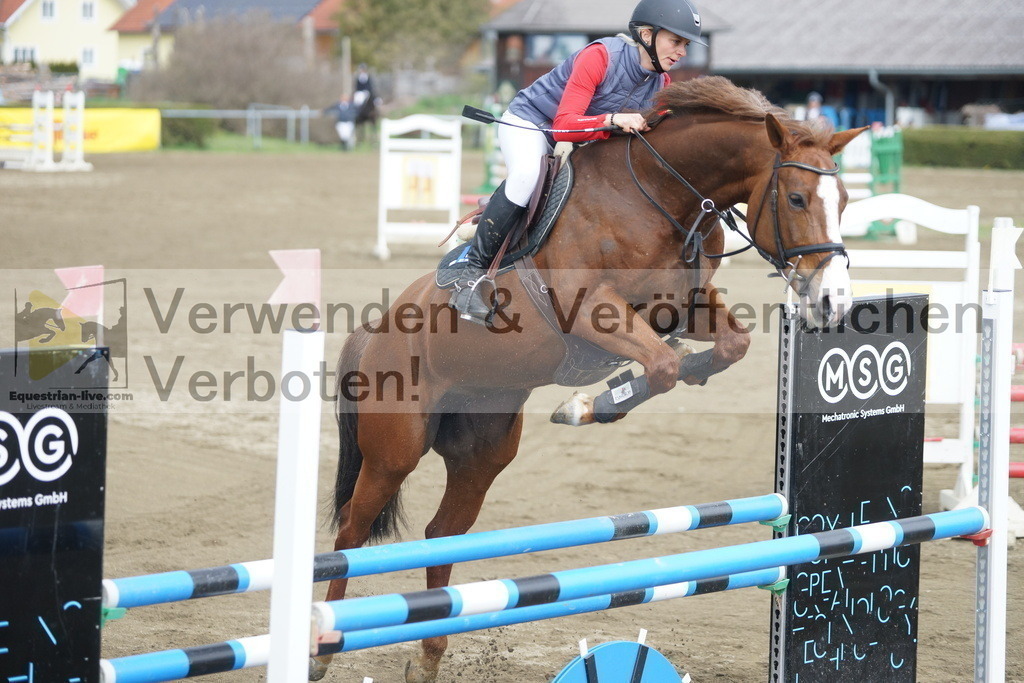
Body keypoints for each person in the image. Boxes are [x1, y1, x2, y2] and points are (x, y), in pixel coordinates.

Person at [450, 0, 706, 325]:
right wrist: (612, 119)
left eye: (686, 45)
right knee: (527, 174)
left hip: (580, 139)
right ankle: (470, 276)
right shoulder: (600, 56)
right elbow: (563, 127)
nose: (682, 52)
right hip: (532, 124)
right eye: (676, 41)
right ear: (646, 34)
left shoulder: (660, 83)